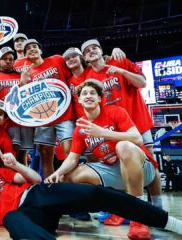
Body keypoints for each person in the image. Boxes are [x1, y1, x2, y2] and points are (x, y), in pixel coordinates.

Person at [0, 151, 182, 240]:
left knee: (96, 193)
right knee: (14, 221)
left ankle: (176, 225)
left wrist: (15, 165)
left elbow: (36, 179)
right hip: (28, 217)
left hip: (37, 194)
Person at [46, 79, 158, 239]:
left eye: (93, 93)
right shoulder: (80, 129)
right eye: (84, 93)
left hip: (142, 169)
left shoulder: (115, 112)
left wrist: (102, 132)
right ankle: (118, 208)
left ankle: (137, 217)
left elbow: (137, 138)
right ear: (79, 100)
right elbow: (72, 159)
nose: (88, 96)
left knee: (123, 147)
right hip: (114, 171)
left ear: (100, 98)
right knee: (69, 176)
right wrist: (57, 173)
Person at [81, 39, 164, 219]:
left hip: (137, 121)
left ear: (101, 50)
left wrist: (123, 71)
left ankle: (158, 206)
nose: (91, 51)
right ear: (85, 58)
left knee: (149, 162)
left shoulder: (119, 61)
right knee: (117, 166)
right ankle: (128, 208)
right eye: (87, 50)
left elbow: (142, 83)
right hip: (112, 127)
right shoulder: (87, 76)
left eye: (94, 47)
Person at [20, 39, 75, 178]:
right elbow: (22, 99)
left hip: (64, 113)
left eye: (34, 46)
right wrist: (22, 82)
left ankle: (74, 184)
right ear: (25, 55)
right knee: (45, 155)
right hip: (43, 119)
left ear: (40, 50)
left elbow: (75, 65)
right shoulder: (27, 73)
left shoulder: (56, 59)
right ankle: (50, 187)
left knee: (69, 150)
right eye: (28, 49)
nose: (32, 49)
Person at [0, 46, 34, 165]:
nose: (8, 61)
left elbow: (28, 96)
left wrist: (24, 83)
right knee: (12, 150)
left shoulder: (21, 75)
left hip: (22, 117)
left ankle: (24, 175)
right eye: (4, 59)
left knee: (24, 151)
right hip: (6, 120)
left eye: (10, 59)